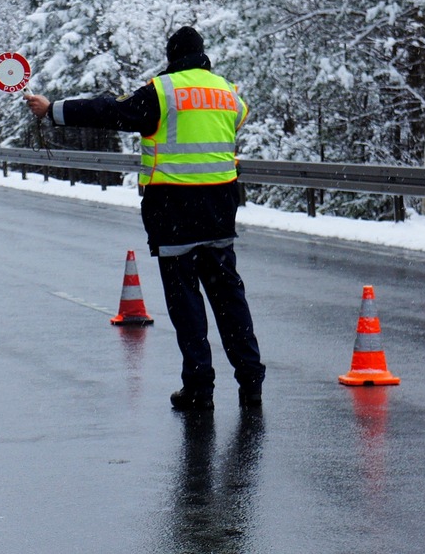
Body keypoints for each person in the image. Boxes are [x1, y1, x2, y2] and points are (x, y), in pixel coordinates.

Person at [24, 26, 265, 411]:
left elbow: (110, 111)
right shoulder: (228, 94)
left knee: (186, 302)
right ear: (203, 55)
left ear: (172, 57)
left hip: (175, 210)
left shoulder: (162, 91)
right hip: (220, 209)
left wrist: (54, 110)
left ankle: (199, 387)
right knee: (229, 297)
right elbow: (232, 126)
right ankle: (251, 381)